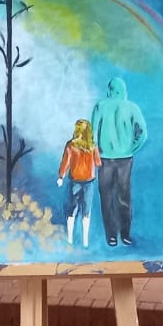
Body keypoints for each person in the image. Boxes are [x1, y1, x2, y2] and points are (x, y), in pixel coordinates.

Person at [90, 78, 147, 248]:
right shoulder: (132, 107)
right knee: (124, 197)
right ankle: (126, 235)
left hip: (104, 159)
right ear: (123, 91)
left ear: (109, 90)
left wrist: (96, 155)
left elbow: (92, 135)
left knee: (106, 198)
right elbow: (142, 133)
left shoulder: (100, 106)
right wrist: (131, 147)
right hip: (125, 158)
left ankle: (111, 237)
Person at [56, 118, 102, 247]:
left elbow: (65, 163)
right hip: (89, 182)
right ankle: (85, 241)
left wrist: (61, 177)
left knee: (71, 210)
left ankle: (70, 238)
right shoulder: (93, 146)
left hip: (74, 181)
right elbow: (98, 163)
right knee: (86, 212)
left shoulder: (71, 145)